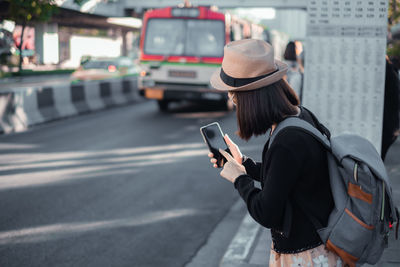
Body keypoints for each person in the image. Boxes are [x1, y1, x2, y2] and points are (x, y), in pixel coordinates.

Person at [207, 39, 339, 266]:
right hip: (316, 246)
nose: (232, 100)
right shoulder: (299, 116)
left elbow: (267, 212)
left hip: (307, 255)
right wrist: (244, 163)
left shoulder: (287, 141)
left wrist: (239, 179)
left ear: (251, 98)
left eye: (233, 94)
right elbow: (285, 177)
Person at [381, 56, 400, 160]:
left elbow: (395, 100)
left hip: (385, 124)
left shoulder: (387, 70)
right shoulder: (390, 71)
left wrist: (395, 126)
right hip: (386, 125)